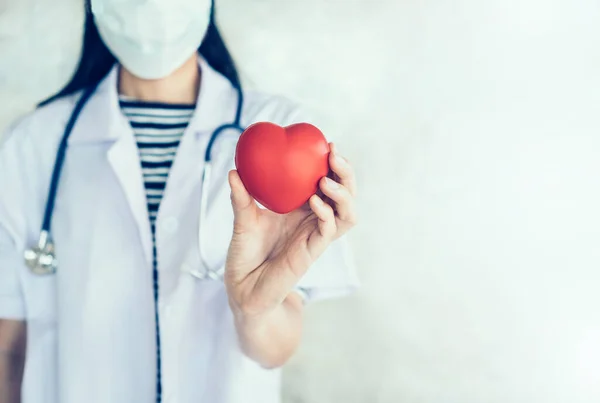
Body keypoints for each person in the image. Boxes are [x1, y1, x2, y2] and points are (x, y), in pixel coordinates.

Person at [0, 0, 359, 402]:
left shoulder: (283, 129)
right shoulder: (33, 145)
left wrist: (254, 308)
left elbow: (274, 350)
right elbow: (9, 347)